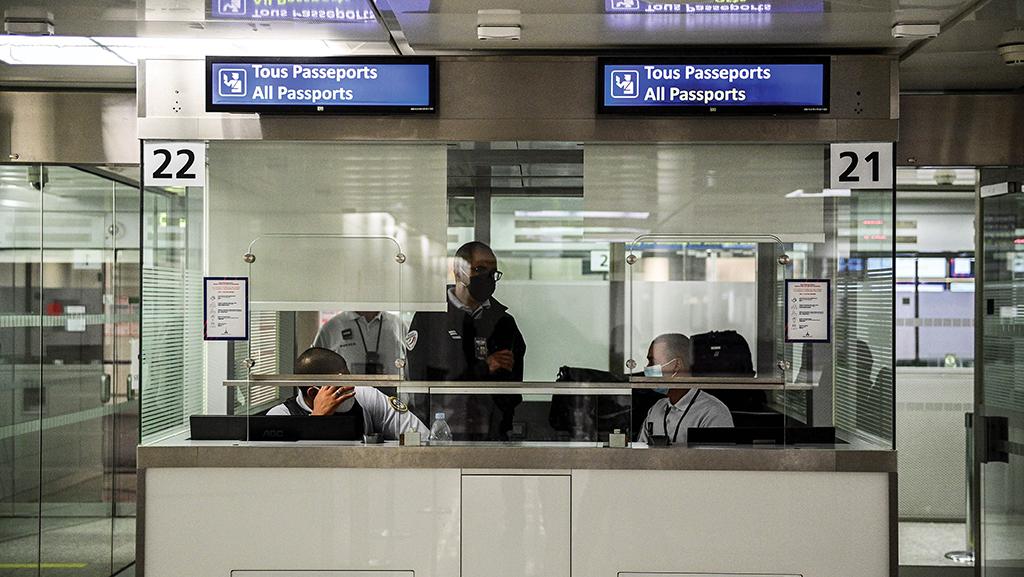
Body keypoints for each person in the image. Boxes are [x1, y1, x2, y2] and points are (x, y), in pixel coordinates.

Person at [405, 241, 527, 440]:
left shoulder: (504, 322)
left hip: (491, 434)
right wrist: (483, 367)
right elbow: (420, 379)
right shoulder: (431, 316)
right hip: (440, 430)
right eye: (479, 269)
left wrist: (502, 426)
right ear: (458, 270)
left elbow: (512, 387)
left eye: (492, 272)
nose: (487, 277)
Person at [267, 347, 427, 440]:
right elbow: (285, 465)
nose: (350, 387)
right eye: (339, 388)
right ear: (313, 393)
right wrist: (317, 420)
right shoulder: (281, 416)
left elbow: (419, 436)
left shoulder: (365, 397)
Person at [637, 333, 733, 445]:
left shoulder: (712, 413)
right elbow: (640, 453)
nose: (647, 368)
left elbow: (717, 460)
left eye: (652, 362)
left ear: (676, 365)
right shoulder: (656, 409)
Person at [313, 311, 404, 375]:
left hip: (392, 398)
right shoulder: (332, 327)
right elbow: (314, 368)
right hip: (348, 397)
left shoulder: (397, 324)